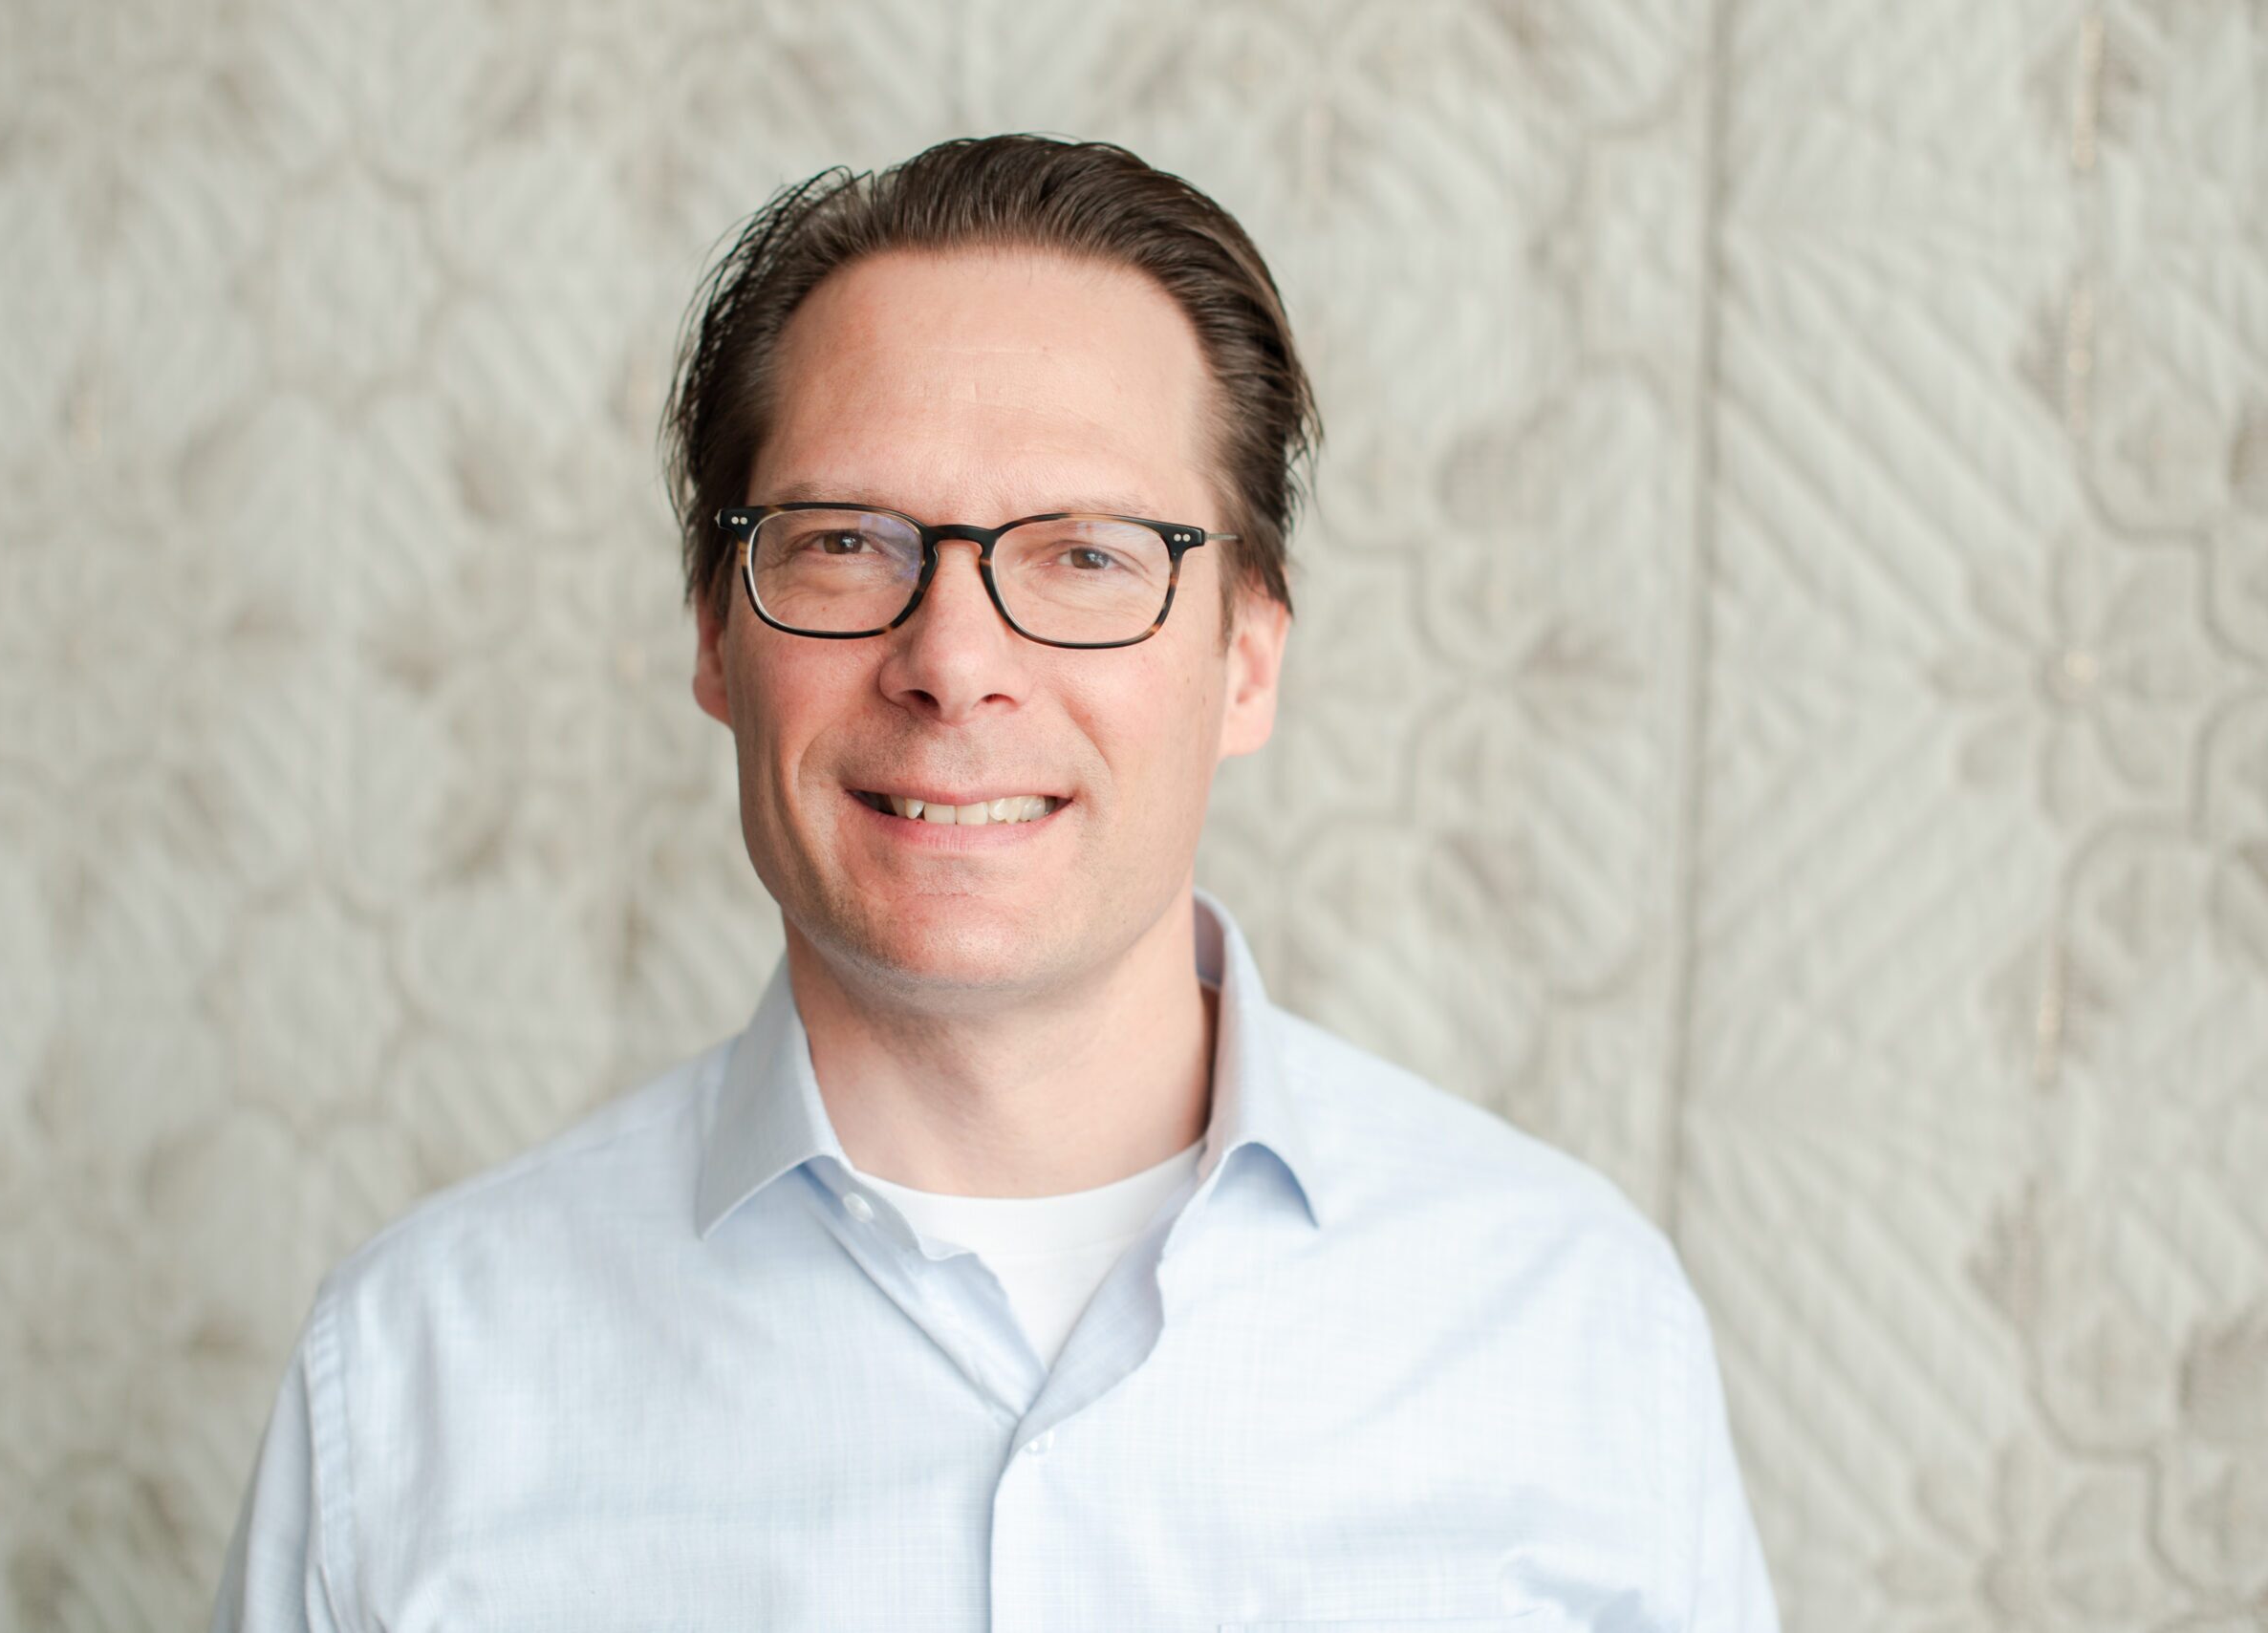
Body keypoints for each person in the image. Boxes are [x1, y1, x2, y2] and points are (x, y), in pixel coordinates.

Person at [210, 134, 1780, 1632]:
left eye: (1086, 555)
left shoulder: (1572, 1326)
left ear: (1246, 658)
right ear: (714, 636)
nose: (953, 661)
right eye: (845, 542)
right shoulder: (412, 1379)